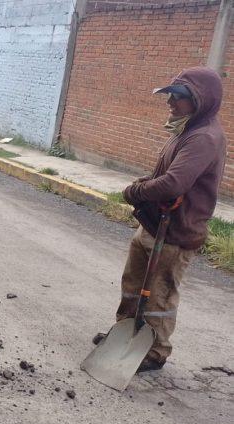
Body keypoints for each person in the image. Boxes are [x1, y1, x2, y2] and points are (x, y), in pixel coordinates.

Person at [103, 67, 226, 372]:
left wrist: (136, 191)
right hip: (154, 224)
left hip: (176, 232)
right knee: (133, 285)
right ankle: (125, 335)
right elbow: (167, 175)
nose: (171, 102)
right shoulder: (186, 130)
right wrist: (147, 183)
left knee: (159, 295)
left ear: (200, 101)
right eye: (171, 95)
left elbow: (174, 184)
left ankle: (155, 351)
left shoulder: (204, 138)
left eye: (179, 97)